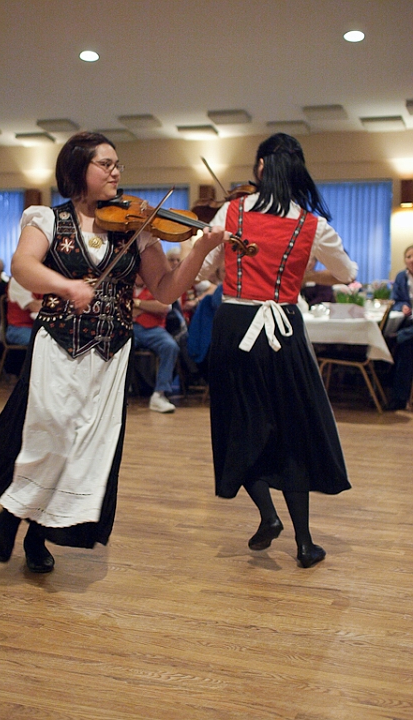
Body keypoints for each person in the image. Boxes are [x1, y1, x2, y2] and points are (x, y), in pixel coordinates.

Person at [0, 131, 228, 574]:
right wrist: (67, 285)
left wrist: (201, 249)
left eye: (117, 164)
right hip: (57, 343)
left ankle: (37, 535)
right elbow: (23, 267)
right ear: (77, 170)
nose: (115, 171)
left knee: (85, 447)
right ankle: (12, 511)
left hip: (110, 353)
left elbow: (165, 291)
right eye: (105, 164)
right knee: (48, 431)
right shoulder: (46, 218)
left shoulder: (138, 226)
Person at [199, 133, 358, 569]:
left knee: (239, 424)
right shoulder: (312, 226)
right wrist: (302, 264)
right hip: (284, 327)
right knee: (291, 428)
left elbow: (207, 270)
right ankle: (305, 544)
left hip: (234, 326)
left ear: (261, 168)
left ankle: (268, 516)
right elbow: (347, 273)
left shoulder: (230, 212)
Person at [133, 274, 179, 413]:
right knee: (118, 345)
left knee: (170, 346)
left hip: (153, 329)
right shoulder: (124, 284)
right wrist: (149, 307)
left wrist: (137, 303)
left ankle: (160, 393)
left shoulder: (157, 286)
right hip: (130, 328)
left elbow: (164, 306)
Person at [386, 244, 413, 410]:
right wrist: (402, 306)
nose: (412, 260)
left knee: (401, 342)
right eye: (409, 256)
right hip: (409, 321)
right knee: (406, 349)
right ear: (404, 260)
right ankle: (399, 397)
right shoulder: (401, 277)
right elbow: (394, 301)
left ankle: (398, 398)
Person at [5, 277, 42, 345]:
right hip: (18, 328)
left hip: (38, 327)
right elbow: (35, 307)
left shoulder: (42, 281)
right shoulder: (18, 280)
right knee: (42, 343)